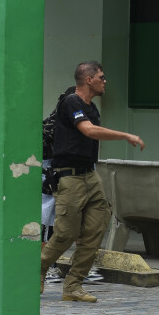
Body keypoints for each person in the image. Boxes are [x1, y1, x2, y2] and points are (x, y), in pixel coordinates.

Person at [40, 61, 145, 302]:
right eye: (102, 77)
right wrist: (125, 135)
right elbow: (88, 130)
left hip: (90, 174)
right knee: (66, 232)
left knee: (96, 228)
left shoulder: (92, 107)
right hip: (70, 177)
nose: (105, 81)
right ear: (88, 80)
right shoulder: (71, 102)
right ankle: (39, 267)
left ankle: (73, 286)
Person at [42, 86, 104, 284]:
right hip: (57, 178)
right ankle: (46, 267)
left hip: (84, 177)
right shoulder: (53, 124)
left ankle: (81, 270)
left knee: (88, 223)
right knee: (53, 224)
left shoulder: (90, 116)